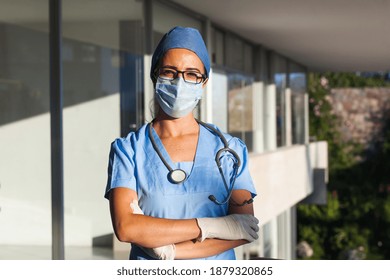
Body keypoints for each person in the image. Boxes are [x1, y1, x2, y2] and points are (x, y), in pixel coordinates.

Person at [104, 26, 259, 260]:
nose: (180, 82)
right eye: (169, 72)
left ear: (204, 82)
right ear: (156, 76)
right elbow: (126, 228)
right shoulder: (128, 151)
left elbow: (245, 228)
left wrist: (171, 251)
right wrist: (213, 226)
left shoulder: (230, 151)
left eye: (191, 74)